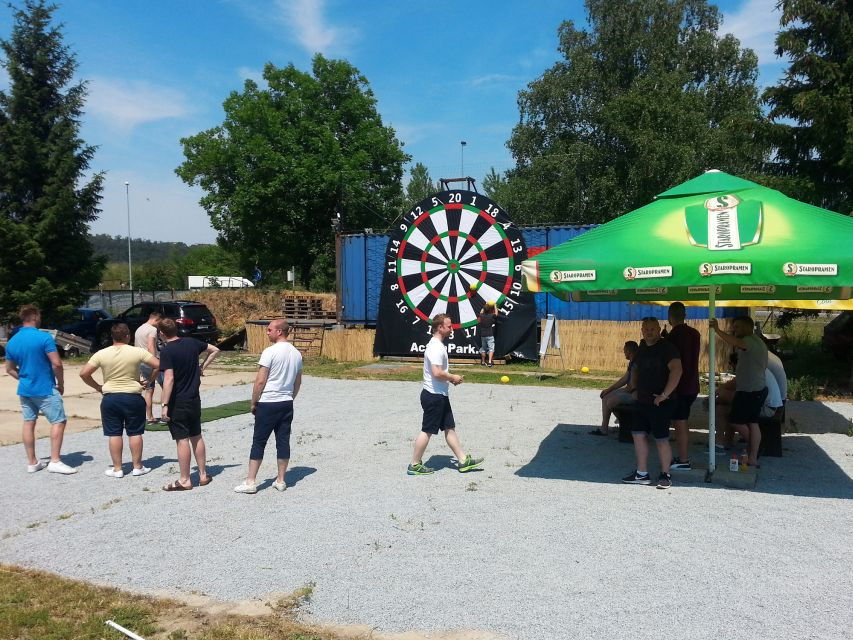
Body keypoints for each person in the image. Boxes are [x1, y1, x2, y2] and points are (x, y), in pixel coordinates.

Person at [79, 323, 158, 478]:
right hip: (132, 396)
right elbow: (158, 365)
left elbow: (84, 373)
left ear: (112, 337)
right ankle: (137, 467)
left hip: (111, 397)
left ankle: (117, 469)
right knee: (135, 432)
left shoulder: (102, 353)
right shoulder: (137, 351)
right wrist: (149, 380)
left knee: (114, 433)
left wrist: (98, 387)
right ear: (128, 336)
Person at [4, 305, 76, 474]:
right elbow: (57, 363)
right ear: (35, 317)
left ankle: (32, 462)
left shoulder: (12, 341)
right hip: (45, 388)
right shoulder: (44, 337)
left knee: (29, 422)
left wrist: (23, 378)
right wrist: (61, 383)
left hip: (25, 389)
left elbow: (9, 369)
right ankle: (55, 460)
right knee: (59, 421)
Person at [408, 314, 483, 475]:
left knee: (449, 427)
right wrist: (452, 377)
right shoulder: (436, 347)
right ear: (440, 327)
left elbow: (438, 373)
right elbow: (436, 372)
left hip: (439, 395)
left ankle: (463, 460)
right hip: (434, 396)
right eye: (449, 326)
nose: (452, 328)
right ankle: (414, 464)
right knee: (427, 430)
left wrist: (449, 380)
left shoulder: (437, 345)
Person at [234, 319, 302, 494]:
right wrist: (290, 398)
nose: (267, 332)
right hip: (286, 403)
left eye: (270, 329)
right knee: (283, 441)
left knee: (259, 441)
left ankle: (250, 482)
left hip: (268, 402)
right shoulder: (296, 353)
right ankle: (281, 480)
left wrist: (253, 401)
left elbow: (260, 380)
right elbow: (298, 381)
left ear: (280, 332)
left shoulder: (269, 351)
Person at [158, 318, 220, 491]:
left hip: (178, 400)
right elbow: (215, 350)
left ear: (162, 333)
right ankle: (203, 475)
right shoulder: (191, 342)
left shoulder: (167, 351)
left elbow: (169, 379)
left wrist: (164, 404)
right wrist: (202, 367)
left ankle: (185, 479)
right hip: (193, 398)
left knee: (182, 439)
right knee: (196, 435)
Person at [622, 317, 682, 489]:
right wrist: (634, 389)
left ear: (659, 329)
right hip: (642, 401)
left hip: (660, 403)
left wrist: (664, 394)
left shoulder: (667, 348)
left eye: (652, 329)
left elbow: (677, 370)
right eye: (646, 329)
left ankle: (665, 475)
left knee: (661, 439)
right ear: (642, 330)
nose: (649, 332)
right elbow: (634, 370)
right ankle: (642, 474)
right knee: (638, 434)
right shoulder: (641, 349)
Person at [710, 316, 768, 467]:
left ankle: (755, 446)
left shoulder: (749, 341)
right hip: (756, 389)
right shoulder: (757, 341)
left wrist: (717, 330)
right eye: (734, 327)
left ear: (748, 327)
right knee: (752, 422)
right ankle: (753, 456)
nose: (734, 330)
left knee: (736, 421)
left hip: (750, 391)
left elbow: (735, 342)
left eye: (738, 327)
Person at [664, 302, 701, 470]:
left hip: (679, 387)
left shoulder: (672, 338)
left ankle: (684, 460)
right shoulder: (695, 333)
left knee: (680, 423)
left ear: (669, 317)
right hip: (692, 384)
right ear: (685, 315)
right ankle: (682, 456)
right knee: (681, 420)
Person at [591, 340, 638, 436]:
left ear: (628, 351)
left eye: (624, 351)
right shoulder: (632, 363)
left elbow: (633, 385)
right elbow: (624, 379)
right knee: (605, 396)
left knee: (611, 401)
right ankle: (604, 429)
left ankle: (625, 423)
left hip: (635, 394)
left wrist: (628, 390)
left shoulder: (637, 364)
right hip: (629, 390)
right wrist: (608, 390)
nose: (624, 353)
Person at [134, 310, 163, 425]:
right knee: (165, 386)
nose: (159, 325)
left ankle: (150, 417)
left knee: (149, 390)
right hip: (152, 361)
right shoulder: (152, 330)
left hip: (141, 361)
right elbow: (151, 345)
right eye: (159, 322)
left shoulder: (139, 329)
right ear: (156, 319)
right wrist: (154, 360)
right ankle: (165, 414)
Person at [477, 302, 498, 366]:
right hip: (490, 334)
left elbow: (481, 312)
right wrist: (495, 305)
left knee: (483, 349)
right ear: (489, 310)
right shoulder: (491, 316)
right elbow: (496, 314)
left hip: (483, 335)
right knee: (491, 349)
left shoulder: (481, 316)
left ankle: (483, 362)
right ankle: (489, 362)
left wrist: (485, 305)